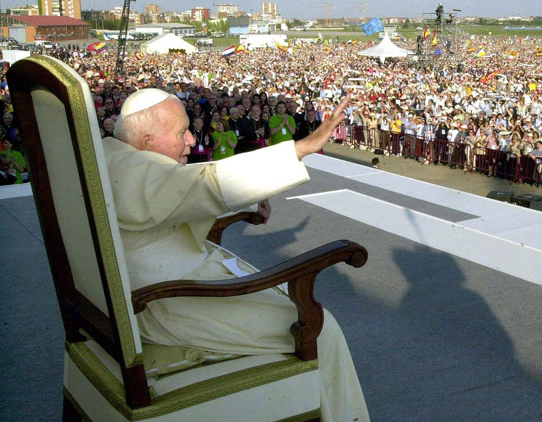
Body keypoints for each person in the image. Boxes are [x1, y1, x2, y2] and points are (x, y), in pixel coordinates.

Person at [107, 88, 368, 422]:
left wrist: (249, 202)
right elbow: (202, 184)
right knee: (321, 328)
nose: (191, 140)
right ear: (146, 140)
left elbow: (172, 194)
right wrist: (301, 148)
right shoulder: (135, 171)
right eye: (181, 132)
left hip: (153, 288)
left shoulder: (116, 158)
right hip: (166, 304)